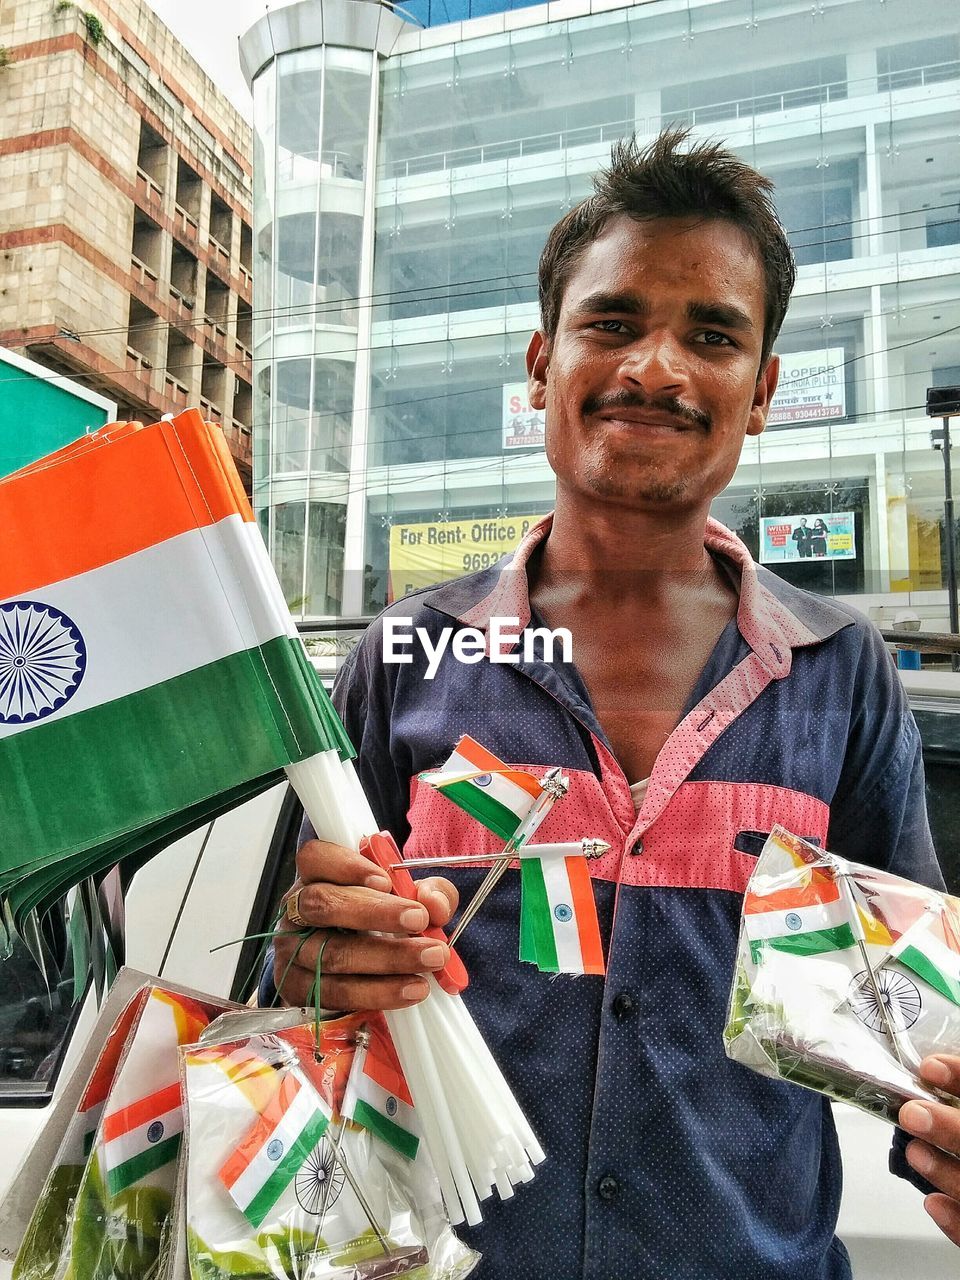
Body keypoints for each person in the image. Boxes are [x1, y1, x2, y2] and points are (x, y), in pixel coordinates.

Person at [266, 130, 960, 1276]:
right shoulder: (406, 658)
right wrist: (317, 963)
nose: (657, 367)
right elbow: (297, 982)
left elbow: (918, 1025)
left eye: (712, 334)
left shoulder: (844, 673)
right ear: (542, 365)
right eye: (614, 321)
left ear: (764, 388)